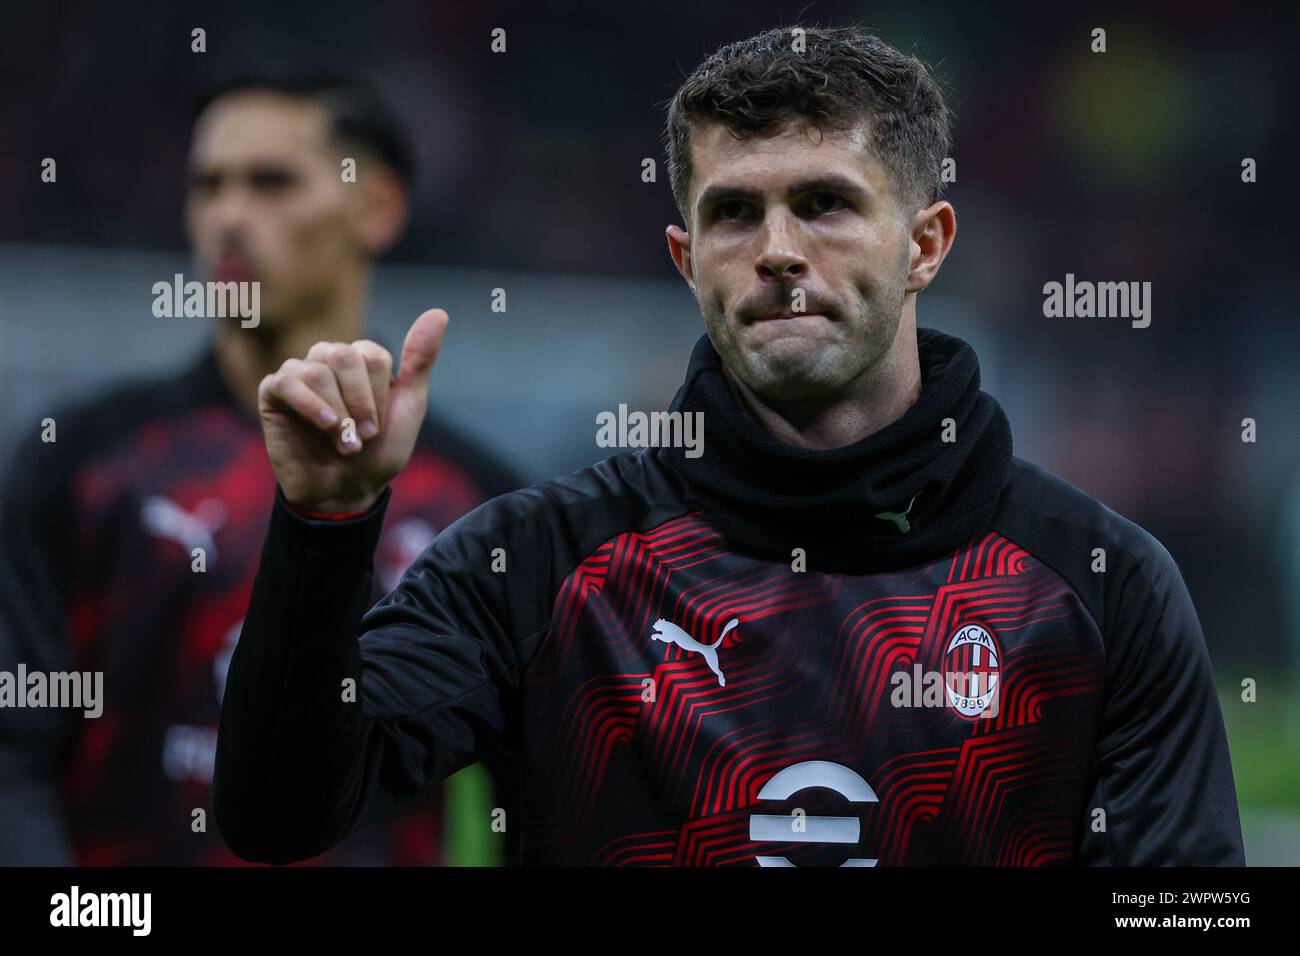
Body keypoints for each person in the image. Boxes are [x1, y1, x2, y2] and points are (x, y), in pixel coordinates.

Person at [214, 28, 1243, 866]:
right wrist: (326, 521)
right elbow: (275, 816)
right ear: (685, 255)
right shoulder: (532, 563)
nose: (779, 250)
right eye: (734, 212)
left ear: (925, 243)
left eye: (826, 203)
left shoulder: (1101, 583)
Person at [0, 71, 518, 865]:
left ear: (376, 206)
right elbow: (13, 757)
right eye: (208, 185)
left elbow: (529, 794)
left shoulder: (478, 500)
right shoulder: (80, 462)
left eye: (272, 182)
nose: (229, 217)